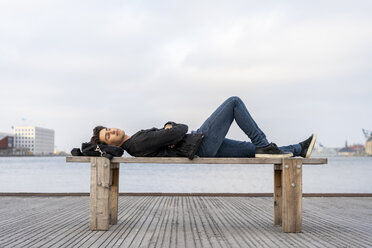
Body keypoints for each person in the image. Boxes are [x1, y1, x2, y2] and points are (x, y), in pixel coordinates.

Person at [90, 96, 316, 159]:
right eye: (108, 136)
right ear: (110, 144)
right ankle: (264, 145)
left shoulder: (136, 143)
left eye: (108, 129)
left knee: (250, 150)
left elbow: (172, 136)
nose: (112, 131)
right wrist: (173, 126)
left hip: (198, 146)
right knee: (234, 102)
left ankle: (298, 149)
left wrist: (169, 129)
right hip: (200, 142)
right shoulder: (137, 142)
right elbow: (181, 130)